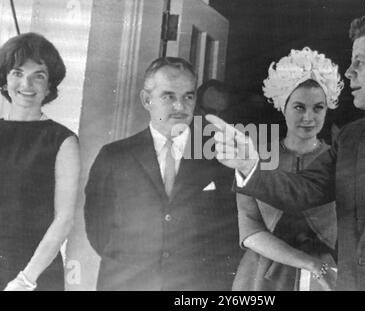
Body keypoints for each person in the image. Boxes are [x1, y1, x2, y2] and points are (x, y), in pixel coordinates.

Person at [207, 8, 365, 290]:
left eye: (360, 62)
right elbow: (303, 190)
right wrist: (249, 165)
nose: (349, 72)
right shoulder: (353, 137)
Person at [84, 57, 240, 291]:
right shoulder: (114, 157)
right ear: (147, 100)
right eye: (169, 96)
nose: (180, 106)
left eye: (188, 96)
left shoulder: (220, 157)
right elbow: (98, 230)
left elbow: (231, 234)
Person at [232, 48, 340, 291]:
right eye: (299, 107)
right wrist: (309, 263)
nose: (309, 117)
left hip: (326, 277)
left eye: (318, 108)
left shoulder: (340, 159)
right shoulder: (255, 156)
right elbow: (249, 229)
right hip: (262, 275)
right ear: (283, 105)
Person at [0, 33, 80, 291]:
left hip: (35, 273)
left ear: (49, 87)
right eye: (17, 72)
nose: (27, 83)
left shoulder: (63, 141)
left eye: (39, 75)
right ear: (5, 80)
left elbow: (64, 219)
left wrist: (25, 280)